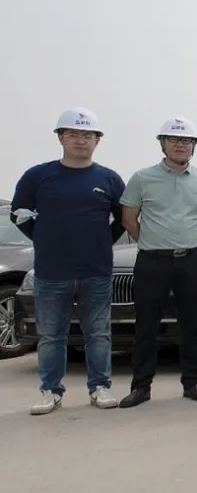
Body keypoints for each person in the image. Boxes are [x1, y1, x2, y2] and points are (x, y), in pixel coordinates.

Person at [10, 108, 126, 415]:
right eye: (73, 134)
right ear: (61, 138)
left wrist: (103, 240)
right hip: (52, 272)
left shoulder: (109, 179)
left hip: (96, 271)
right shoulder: (38, 176)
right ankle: (50, 391)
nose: (81, 141)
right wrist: (43, 237)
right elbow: (18, 213)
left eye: (88, 135)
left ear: (97, 141)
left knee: (98, 334)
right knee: (51, 336)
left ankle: (100, 387)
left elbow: (124, 218)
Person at [119, 117, 197, 408]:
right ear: (162, 143)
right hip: (152, 261)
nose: (180, 145)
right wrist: (155, 242)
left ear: (194, 146)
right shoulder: (142, 178)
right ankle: (141, 386)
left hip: (190, 260)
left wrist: (184, 242)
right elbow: (129, 219)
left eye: (186, 140)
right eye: (174, 139)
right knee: (146, 325)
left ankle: (192, 381)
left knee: (192, 323)